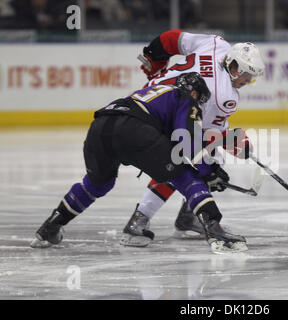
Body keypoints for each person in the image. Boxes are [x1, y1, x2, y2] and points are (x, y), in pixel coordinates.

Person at [30, 72, 247, 253]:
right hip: (133, 129)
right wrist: (209, 171)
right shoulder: (185, 97)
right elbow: (186, 139)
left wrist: (208, 164)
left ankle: (51, 226)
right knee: (182, 172)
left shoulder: (154, 93)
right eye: (200, 99)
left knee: (97, 184)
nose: (199, 105)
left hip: (100, 126)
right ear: (194, 92)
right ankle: (213, 227)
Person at [120, 29, 265, 247]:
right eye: (242, 73)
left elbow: (172, 38)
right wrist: (233, 142)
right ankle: (140, 220)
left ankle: (186, 217)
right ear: (232, 63)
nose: (245, 80)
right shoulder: (224, 96)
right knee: (182, 162)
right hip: (158, 119)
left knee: (198, 159)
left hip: (144, 102)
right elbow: (198, 136)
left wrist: (153, 58)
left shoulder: (217, 45)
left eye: (250, 78)